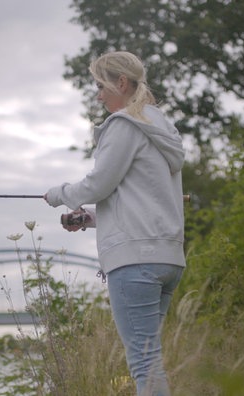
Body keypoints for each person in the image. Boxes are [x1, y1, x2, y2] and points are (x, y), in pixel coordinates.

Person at [44, 51, 185, 396]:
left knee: (144, 363)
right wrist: (91, 218)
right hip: (167, 258)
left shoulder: (124, 125)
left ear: (121, 83)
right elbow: (141, 198)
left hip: (135, 263)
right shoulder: (161, 127)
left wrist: (61, 193)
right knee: (150, 360)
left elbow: (98, 184)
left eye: (101, 85)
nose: (98, 94)